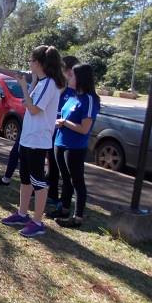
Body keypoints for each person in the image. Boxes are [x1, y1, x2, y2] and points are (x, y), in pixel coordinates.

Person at [0, 45, 66, 238]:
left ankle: (37, 222)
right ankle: (22, 213)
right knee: (26, 179)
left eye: (31, 60)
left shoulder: (50, 84)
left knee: (38, 182)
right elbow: (28, 104)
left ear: (39, 63)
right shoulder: (41, 82)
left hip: (38, 140)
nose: (29, 63)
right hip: (28, 138)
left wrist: (23, 87)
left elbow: (34, 109)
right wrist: (31, 83)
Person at [0, 55, 79, 187]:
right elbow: (18, 75)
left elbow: (36, 107)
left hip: (44, 129)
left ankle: (45, 190)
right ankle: (10, 179)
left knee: (45, 164)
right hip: (32, 126)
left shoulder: (56, 84)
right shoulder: (43, 79)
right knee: (18, 154)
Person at [49, 64, 100, 228]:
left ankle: (77, 217)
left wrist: (65, 123)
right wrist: (59, 122)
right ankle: (64, 209)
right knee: (65, 178)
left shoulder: (89, 99)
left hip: (75, 147)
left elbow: (85, 129)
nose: (69, 78)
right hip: (60, 142)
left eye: (72, 76)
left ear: (81, 78)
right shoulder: (72, 96)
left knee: (76, 180)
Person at [46, 55, 80, 209]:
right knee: (52, 164)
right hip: (54, 132)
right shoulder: (62, 87)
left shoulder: (77, 93)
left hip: (67, 137)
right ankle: (52, 194)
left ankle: (64, 201)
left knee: (65, 171)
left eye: (63, 70)